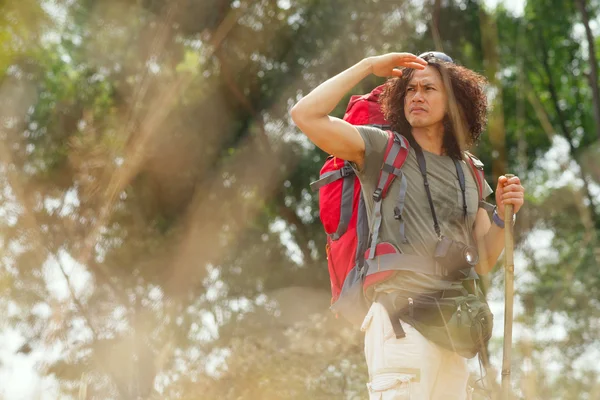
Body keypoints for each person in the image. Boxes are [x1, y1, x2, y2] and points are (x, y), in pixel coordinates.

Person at [290, 51, 525, 400]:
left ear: (455, 101)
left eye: (429, 88)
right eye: (410, 89)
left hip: (453, 332)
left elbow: (486, 258)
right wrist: (368, 66)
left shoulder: (470, 171)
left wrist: (503, 215)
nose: (416, 96)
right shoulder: (380, 148)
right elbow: (305, 115)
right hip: (401, 324)